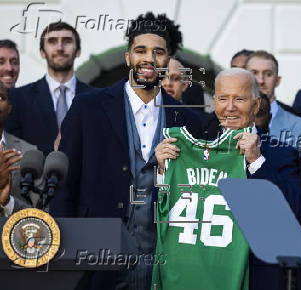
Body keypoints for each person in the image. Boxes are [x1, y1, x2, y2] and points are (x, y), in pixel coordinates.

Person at [50, 12, 201, 290]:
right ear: (127, 57)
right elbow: (64, 184)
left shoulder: (189, 119)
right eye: (140, 50)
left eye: (158, 52)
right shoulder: (88, 107)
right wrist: (65, 254)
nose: (149, 58)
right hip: (95, 254)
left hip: (162, 259)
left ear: (167, 61)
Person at [155, 68, 301, 290]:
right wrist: (163, 172)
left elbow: (297, 212)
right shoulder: (192, 150)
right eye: (223, 98)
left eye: (240, 99)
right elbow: (160, 216)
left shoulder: (279, 152)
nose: (230, 107)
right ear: (214, 102)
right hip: (197, 275)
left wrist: (257, 162)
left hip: (256, 277)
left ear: (256, 105)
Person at [6, 22, 93, 155]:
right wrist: (52, 148)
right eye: (52, 41)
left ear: (78, 51)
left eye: (67, 41)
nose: (59, 47)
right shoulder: (17, 98)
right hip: (36, 174)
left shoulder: (97, 98)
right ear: (42, 52)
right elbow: (12, 149)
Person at [245, 50, 301, 149]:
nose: (260, 81)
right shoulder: (227, 123)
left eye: (268, 74)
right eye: (254, 73)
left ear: (277, 81)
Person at [0, 82, 36, 217]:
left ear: (9, 108)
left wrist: (8, 203)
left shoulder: (29, 152)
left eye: (1, 98)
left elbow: (43, 213)